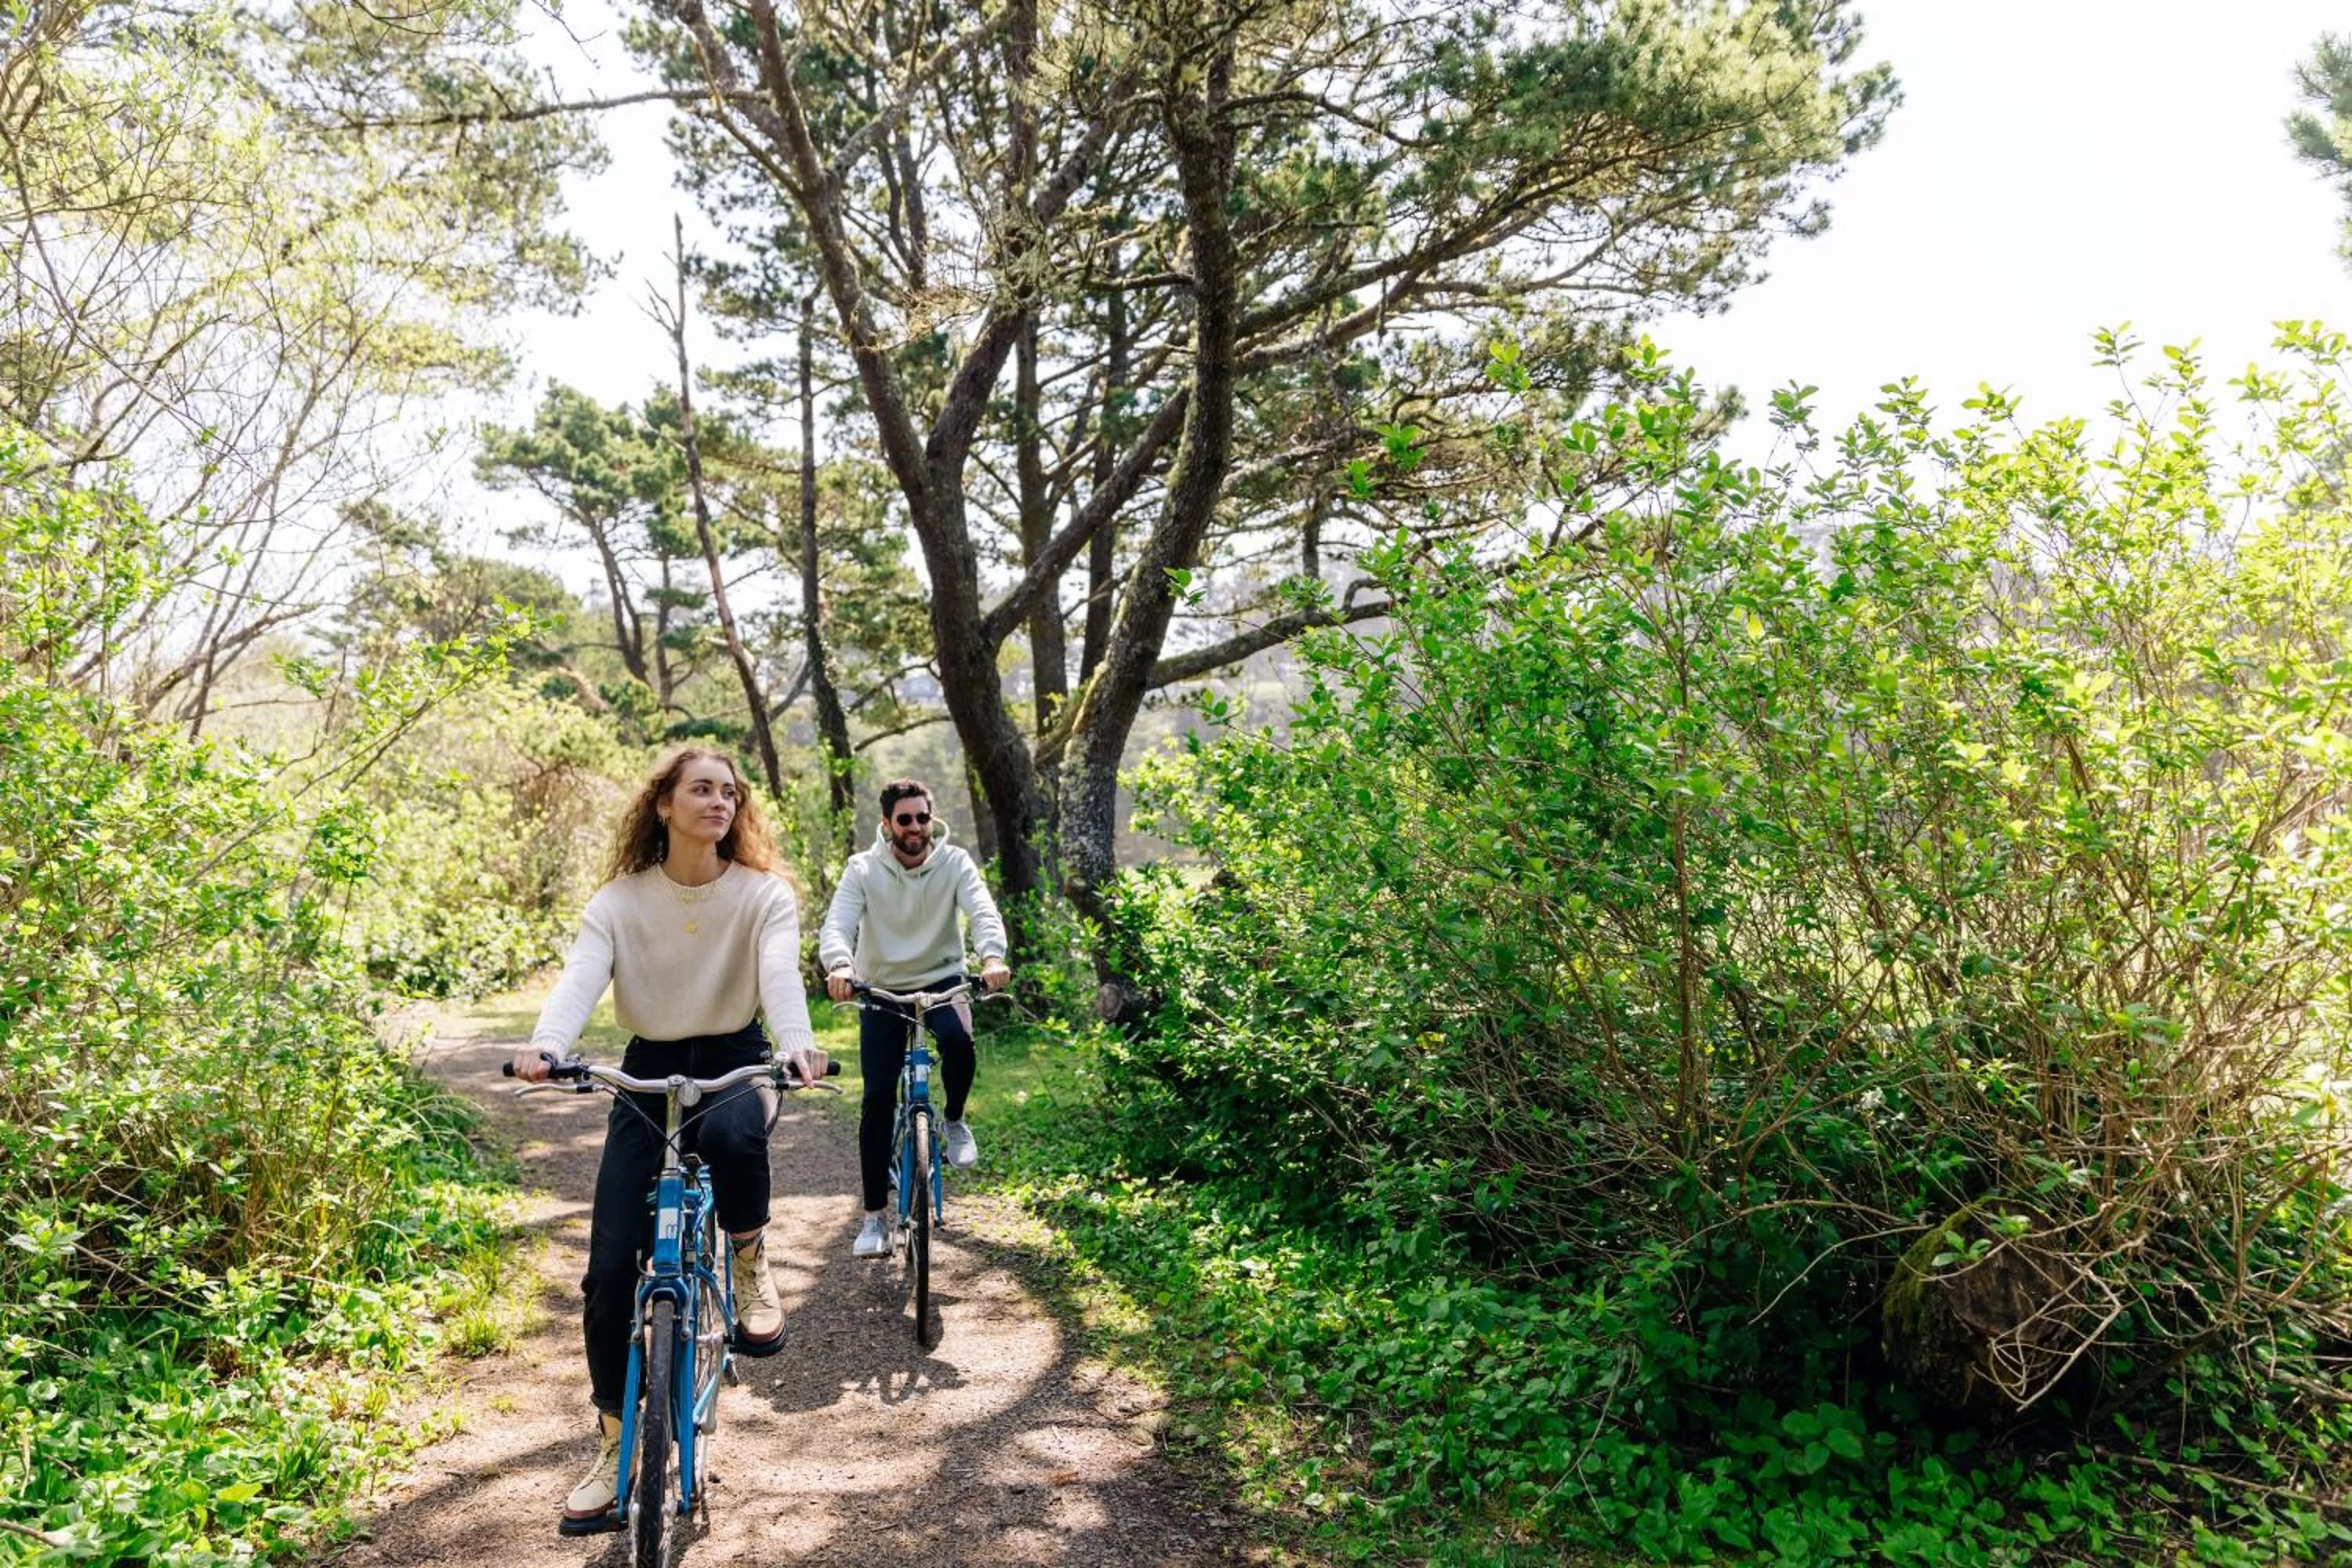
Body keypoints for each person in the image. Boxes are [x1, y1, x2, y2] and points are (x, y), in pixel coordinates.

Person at [507, 746, 825, 1535]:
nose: (718, 800)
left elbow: (781, 973)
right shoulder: (619, 900)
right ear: (664, 803)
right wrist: (549, 1044)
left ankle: (748, 1260)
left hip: (737, 1056)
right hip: (647, 1067)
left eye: (729, 791)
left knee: (736, 1134)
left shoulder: (762, 895)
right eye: (701, 788)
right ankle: (614, 1442)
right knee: (609, 1261)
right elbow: (582, 974)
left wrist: (795, 1042)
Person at [818, 778, 1011, 1259]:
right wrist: (840, 965)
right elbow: (838, 923)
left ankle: (954, 1120)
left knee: (960, 1044)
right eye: (904, 819)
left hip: (943, 980)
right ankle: (873, 1221)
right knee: (879, 1098)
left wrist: (991, 957)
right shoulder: (863, 869)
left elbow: (982, 911)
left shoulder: (954, 862)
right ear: (887, 824)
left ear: (932, 818)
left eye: (922, 817)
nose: (915, 828)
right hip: (880, 988)